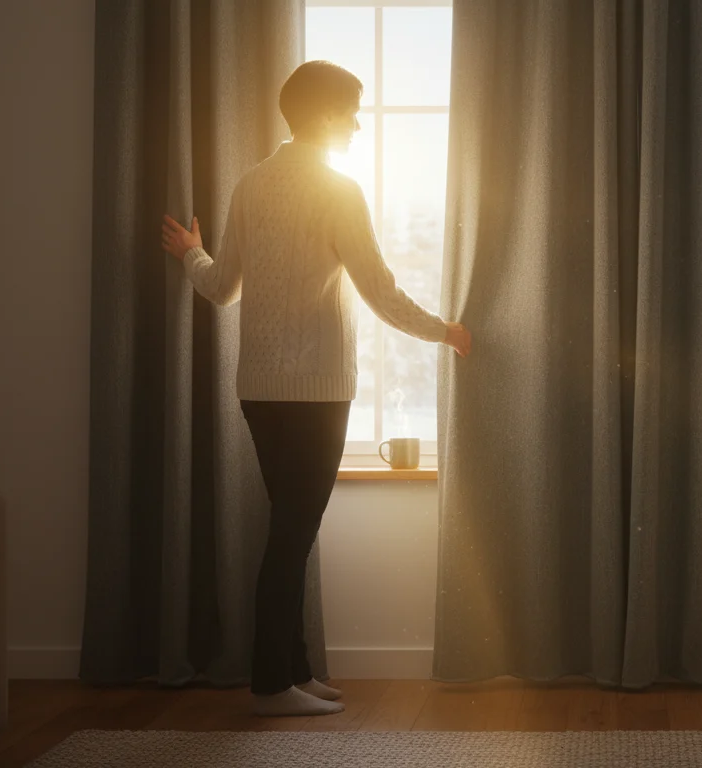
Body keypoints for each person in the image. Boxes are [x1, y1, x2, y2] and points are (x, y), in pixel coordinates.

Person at [160, 60, 471, 717]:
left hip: (259, 391)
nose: (359, 123)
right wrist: (446, 332)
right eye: (352, 110)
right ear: (325, 113)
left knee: (290, 528)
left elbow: (222, 289)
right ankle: (272, 685)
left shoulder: (251, 184)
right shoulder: (337, 189)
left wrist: (193, 251)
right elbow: (379, 290)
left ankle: (295, 668)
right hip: (317, 392)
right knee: (292, 534)